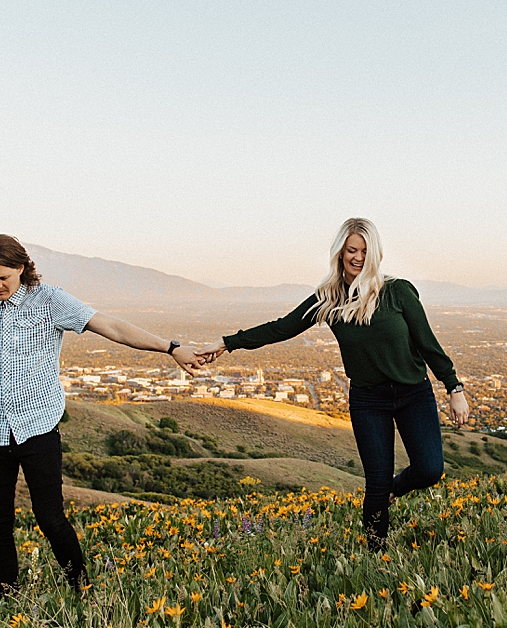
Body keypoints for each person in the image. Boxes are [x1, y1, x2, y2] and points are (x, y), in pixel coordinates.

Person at [0, 233, 201, 596]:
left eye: (3, 277)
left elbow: (111, 327)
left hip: (37, 429)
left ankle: (82, 588)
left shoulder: (50, 300)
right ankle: (8, 601)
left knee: (50, 518)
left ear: (21, 267)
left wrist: (171, 347)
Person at [189, 217, 466, 550]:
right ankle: (376, 557)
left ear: (375, 254)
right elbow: (281, 328)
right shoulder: (329, 300)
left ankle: (394, 489)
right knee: (374, 486)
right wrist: (226, 343)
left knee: (430, 469)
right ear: (340, 252)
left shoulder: (397, 292)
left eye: (365, 251)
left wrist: (454, 389)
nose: (358, 258)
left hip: (413, 393)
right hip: (368, 401)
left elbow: (427, 343)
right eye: (352, 250)